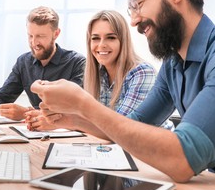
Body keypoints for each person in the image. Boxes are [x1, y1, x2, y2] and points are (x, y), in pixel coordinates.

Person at [30, 0, 215, 189]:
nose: (133, 21)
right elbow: (129, 124)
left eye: (138, 4)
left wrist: (82, 104)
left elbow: (184, 159)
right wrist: (71, 119)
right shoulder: (173, 65)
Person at [25, 9, 157, 131]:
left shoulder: (142, 73)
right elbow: (85, 117)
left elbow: (121, 128)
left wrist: (64, 122)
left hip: (148, 154)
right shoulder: (95, 74)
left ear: (123, 41)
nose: (101, 45)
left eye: (111, 37)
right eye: (95, 38)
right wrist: (50, 116)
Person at [0, 6, 85, 121]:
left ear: (56, 34)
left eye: (40, 36)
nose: (34, 42)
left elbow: (75, 108)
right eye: (30, 36)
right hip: (35, 132)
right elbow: (3, 97)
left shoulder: (77, 63)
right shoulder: (23, 62)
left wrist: (27, 113)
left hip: (68, 133)